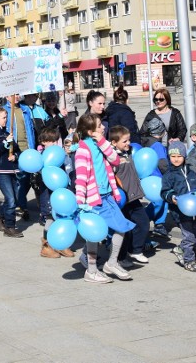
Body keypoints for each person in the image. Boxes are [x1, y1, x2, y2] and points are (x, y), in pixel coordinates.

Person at [74, 114, 134, 283]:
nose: (103, 128)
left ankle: (110, 263)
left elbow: (115, 160)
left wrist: (101, 141)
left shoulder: (100, 145)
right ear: (90, 131)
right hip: (94, 198)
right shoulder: (83, 149)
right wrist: (80, 202)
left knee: (120, 227)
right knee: (95, 234)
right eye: (99, 126)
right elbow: (81, 178)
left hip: (107, 195)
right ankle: (92, 270)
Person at [160, 141, 196, 273]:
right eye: (173, 157)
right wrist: (172, 197)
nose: (176, 159)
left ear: (184, 157)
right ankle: (189, 261)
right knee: (189, 236)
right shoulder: (168, 175)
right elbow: (164, 192)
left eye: (179, 156)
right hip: (180, 211)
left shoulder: (191, 173)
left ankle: (181, 249)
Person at [110, 125, 151, 267]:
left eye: (128, 140)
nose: (128, 144)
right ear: (114, 143)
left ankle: (136, 250)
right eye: (124, 141)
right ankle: (120, 257)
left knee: (144, 223)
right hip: (121, 200)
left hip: (133, 197)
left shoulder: (129, 153)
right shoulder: (112, 157)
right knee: (124, 230)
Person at [36, 126, 73, 259]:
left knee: (62, 216)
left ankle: (60, 243)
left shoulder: (58, 155)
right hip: (47, 193)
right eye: (50, 141)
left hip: (60, 192)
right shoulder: (41, 157)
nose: (53, 144)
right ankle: (46, 246)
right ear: (43, 142)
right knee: (50, 218)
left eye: (55, 141)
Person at [0, 106, 22, 238]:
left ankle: (0, 212)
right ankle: (10, 227)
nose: (6, 119)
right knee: (11, 199)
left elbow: (17, 150)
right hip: (0, 170)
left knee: (16, 198)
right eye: (4, 117)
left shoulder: (8, 133)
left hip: (11, 169)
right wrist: (4, 143)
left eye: (7, 117)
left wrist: (15, 156)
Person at [4, 93, 37, 221]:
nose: (16, 97)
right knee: (20, 178)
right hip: (15, 150)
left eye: (18, 94)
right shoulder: (5, 110)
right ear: (7, 96)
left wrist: (32, 147)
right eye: (13, 95)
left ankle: (19, 202)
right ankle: (21, 206)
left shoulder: (25, 109)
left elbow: (30, 129)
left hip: (27, 149)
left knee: (27, 179)